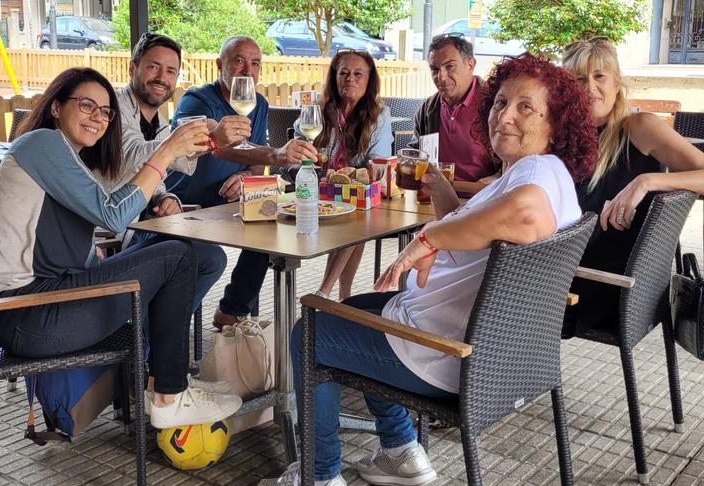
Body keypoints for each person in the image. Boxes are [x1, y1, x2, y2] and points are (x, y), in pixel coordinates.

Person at [257, 54, 597, 486]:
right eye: (500, 103)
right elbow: (480, 228)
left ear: (556, 125)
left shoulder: (534, 178)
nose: (506, 115)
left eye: (526, 108)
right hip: (489, 354)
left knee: (310, 331)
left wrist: (427, 239)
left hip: (442, 353)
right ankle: (401, 451)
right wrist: (441, 195)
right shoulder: (542, 173)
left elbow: (525, 216)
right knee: (360, 307)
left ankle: (317, 480)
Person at [0, 67, 243, 428]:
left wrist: (95, 252)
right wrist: (167, 152)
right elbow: (114, 215)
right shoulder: (42, 143)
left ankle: (155, 377)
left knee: (194, 252)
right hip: (26, 313)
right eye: (87, 105)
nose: (98, 117)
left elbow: (95, 213)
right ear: (56, 107)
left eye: (105, 111)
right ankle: (169, 394)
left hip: (46, 300)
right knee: (177, 256)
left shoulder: (68, 155)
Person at [560, 37, 704, 336]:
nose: (589, 87)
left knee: (485, 298)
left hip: (600, 288)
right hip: (574, 274)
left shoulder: (638, 128)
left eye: (598, 76)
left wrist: (649, 180)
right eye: (579, 79)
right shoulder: (566, 138)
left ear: (617, 83)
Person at [172, 35, 318, 328]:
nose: (247, 70)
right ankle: (168, 325)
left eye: (255, 63)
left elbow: (252, 157)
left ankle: (232, 308)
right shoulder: (196, 99)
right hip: (188, 203)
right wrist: (277, 154)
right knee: (206, 256)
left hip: (229, 200)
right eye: (239, 61)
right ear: (219, 65)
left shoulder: (259, 103)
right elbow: (217, 143)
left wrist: (245, 175)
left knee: (270, 223)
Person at [109, 32, 243, 311]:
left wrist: (163, 199)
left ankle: (156, 334)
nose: (162, 77)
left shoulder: (157, 118)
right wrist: (211, 139)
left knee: (211, 257)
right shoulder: (112, 109)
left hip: (142, 224)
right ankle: (143, 337)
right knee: (199, 257)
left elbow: (149, 174)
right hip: (109, 235)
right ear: (132, 68)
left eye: (171, 71)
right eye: (153, 67)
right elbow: (132, 157)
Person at [296, 49, 392, 301]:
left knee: (358, 217)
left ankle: (327, 293)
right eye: (344, 73)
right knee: (359, 219)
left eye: (358, 74)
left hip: (353, 196)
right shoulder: (316, 112)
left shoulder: (379, 116)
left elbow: (379, 163)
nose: (351, 79)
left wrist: (366, 173)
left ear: (369, 80)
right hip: (315, 192)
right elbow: (293, 157)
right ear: (334, 78)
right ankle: (338, 296)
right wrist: (308, 163)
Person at [414, 33, 499, 195]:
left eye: (450, 66)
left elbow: (517, 163)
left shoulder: (495, 105)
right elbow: (418, 152)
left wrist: (497, 177)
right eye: (435, 69)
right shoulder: (427, 109)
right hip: (435, 198)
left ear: (470, 65)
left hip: (482, 200)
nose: (441, 77)